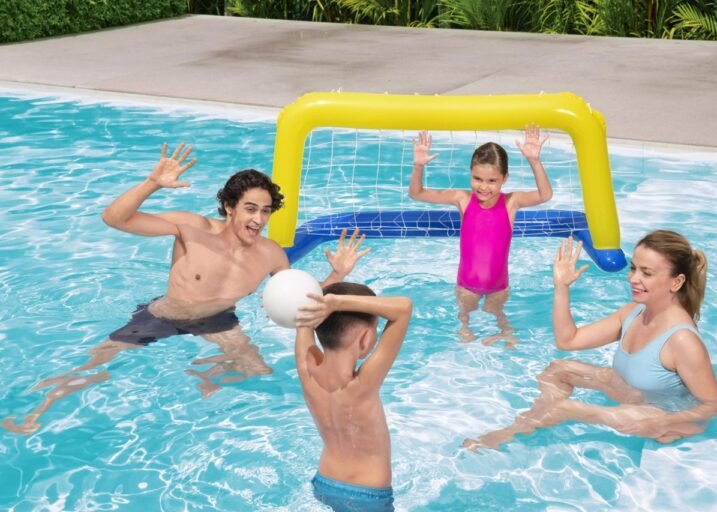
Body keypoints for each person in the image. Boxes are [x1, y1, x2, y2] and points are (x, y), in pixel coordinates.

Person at [3, 142, 369, 434]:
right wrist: (152, 184)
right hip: (164, 314)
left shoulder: (271, 254)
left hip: (219, 320)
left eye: (266, 211)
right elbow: (114, 219)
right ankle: (36, 412)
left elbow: (292, 303)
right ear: (229, 207)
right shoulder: (189, 228)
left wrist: (334, 276)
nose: (258, 219)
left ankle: (207, 370)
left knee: (257, 370)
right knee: (98, 364)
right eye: (251, 209)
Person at [464, 232, 717, 449]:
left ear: (676, 282)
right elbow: (568, 340)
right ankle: (537, 419)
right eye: (633, 268)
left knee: (568, 408)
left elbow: (716, 406)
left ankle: (504, 436)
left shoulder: (681, 340)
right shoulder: (633, 313)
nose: (633, 279)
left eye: (647, 273)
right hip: (637, 396)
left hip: (663, 418)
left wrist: (663, 422)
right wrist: (562, 287)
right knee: (558, 370)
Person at [409, 126, 553, 346]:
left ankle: (505, 333)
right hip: (466, 285)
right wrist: (418, 166)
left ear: (504, 178)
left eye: (492, 181)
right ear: (470, 174)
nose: (483, 187)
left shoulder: (511, 202)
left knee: (499, 317)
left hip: (499, 286)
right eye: (477, 179)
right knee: (464, 322)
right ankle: (466, 330)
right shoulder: (463, 199)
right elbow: (416, 193)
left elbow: (545, 195)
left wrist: (534, 160)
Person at [294, 282, 412, 512]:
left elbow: (304, 315)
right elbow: (404, 308)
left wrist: (334, 284)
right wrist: (338, 302)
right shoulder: (362, 384)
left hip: (324, 483)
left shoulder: (306, 368)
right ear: (365, 340)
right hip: (369, 495)